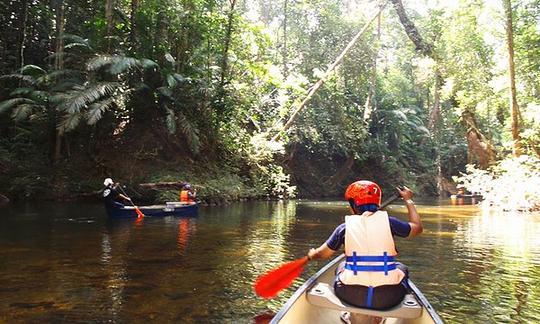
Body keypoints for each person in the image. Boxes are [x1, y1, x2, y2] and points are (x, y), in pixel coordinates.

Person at [306, 180, 423, 312]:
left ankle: (352, 315)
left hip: (350, 295)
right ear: (377, 202)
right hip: (388, 298)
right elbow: (417, 228)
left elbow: (322, 254)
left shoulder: (344, 228)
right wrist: (408, 200)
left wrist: (312, 254)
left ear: (353, 204)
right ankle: (377, 317)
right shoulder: (391, 223)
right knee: (402, 268)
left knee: (341, 266)